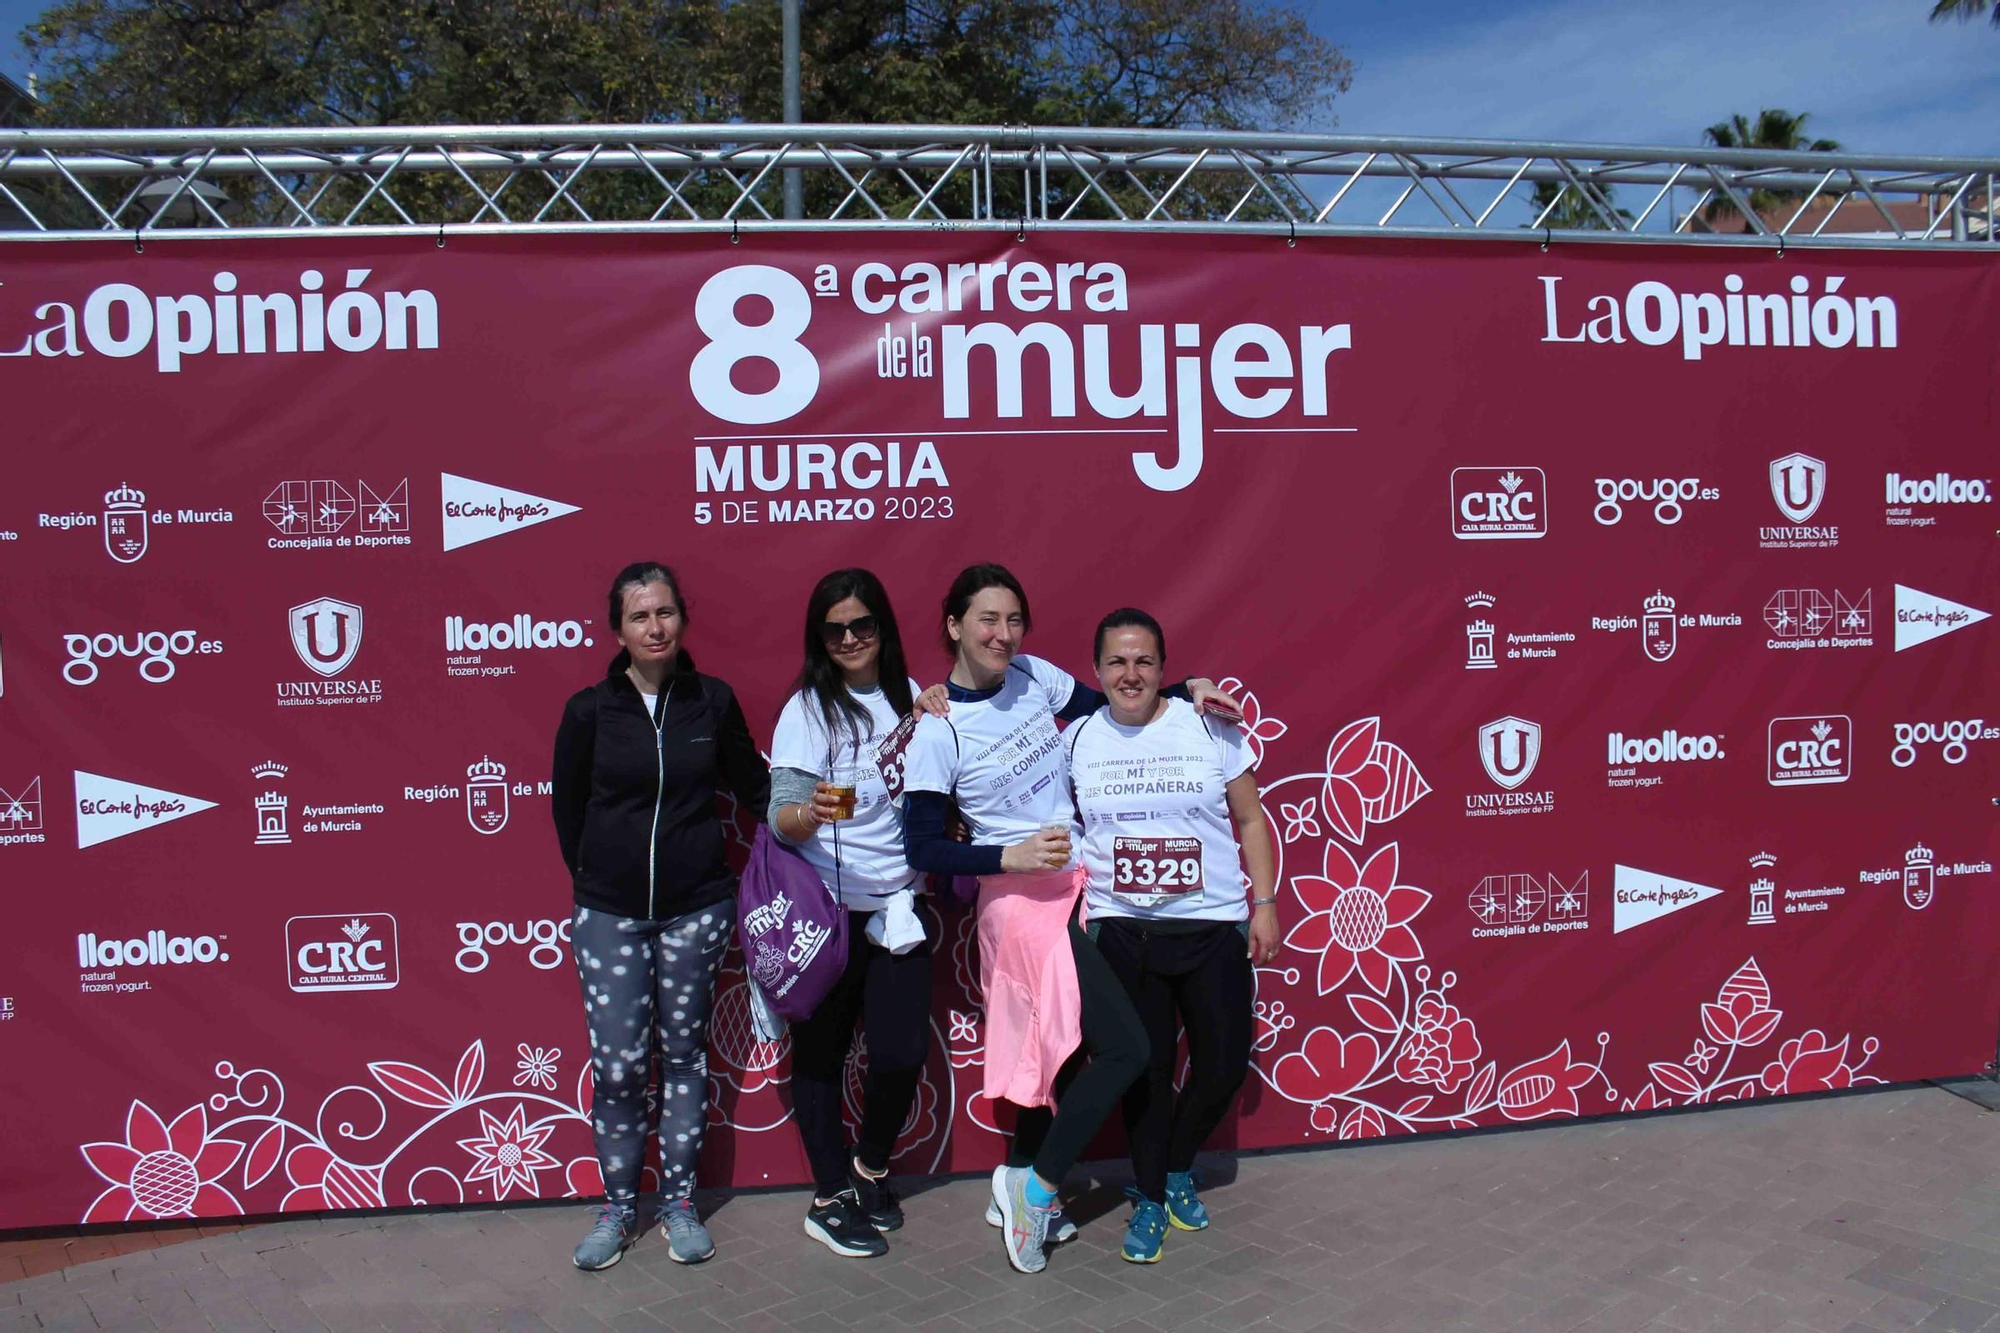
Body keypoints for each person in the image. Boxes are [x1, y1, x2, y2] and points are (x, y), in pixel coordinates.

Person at [899, 563, 1234, 1275]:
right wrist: (1008, 854)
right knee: (1127, 1049)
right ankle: (1040, 1195)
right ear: (955, 625)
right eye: (988, 619)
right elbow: (921, 845)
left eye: (1015, 618)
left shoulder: (1036, 678)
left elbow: (1115, 700)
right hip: (1021, 906)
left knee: (1066, 1050)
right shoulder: (935, 728)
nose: (1004, 633)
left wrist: (1191, 688)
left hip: (1081, 888)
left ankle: (1019, 1173)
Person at [551, 562, 770, 1272]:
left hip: (696, 909)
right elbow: (568, 809)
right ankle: (618, 1207)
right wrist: (599, 879)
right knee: (617, 1067)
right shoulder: (589, 710)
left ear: (682, 619)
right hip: (610, 913)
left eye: (666, 612)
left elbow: (756, 790)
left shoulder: (712, 700)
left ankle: (678, 1202)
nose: (655, 627)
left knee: (682, 1058)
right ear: (618, 628)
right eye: (640, 615)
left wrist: (836, 799)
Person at [1064, 608, 1277, 1263]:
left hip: (1212, 926)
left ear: (1163, 668)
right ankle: (1151, 1198)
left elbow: (1249, 817)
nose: (1132, 673)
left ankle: (1176, 1163)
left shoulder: (1206, 724)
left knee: (1221, 1064)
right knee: (1148, 1077)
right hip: (1125, 933)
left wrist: (1263, 904)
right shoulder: (1076, 738)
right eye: (1118, 662)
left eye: (1145, 661)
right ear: (1097, 671)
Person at [767, 569, 935, 1259]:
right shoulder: (808, 709)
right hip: (828, 911)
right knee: (821, 1057)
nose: (849, 638)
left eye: (861, 624)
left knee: (900, 1053)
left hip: (899, 910)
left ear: (883, 628)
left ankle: (868, 1167)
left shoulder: (916, 701)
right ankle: (828, 1196)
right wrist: (812, 812)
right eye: (834, 629)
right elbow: (781, 820)